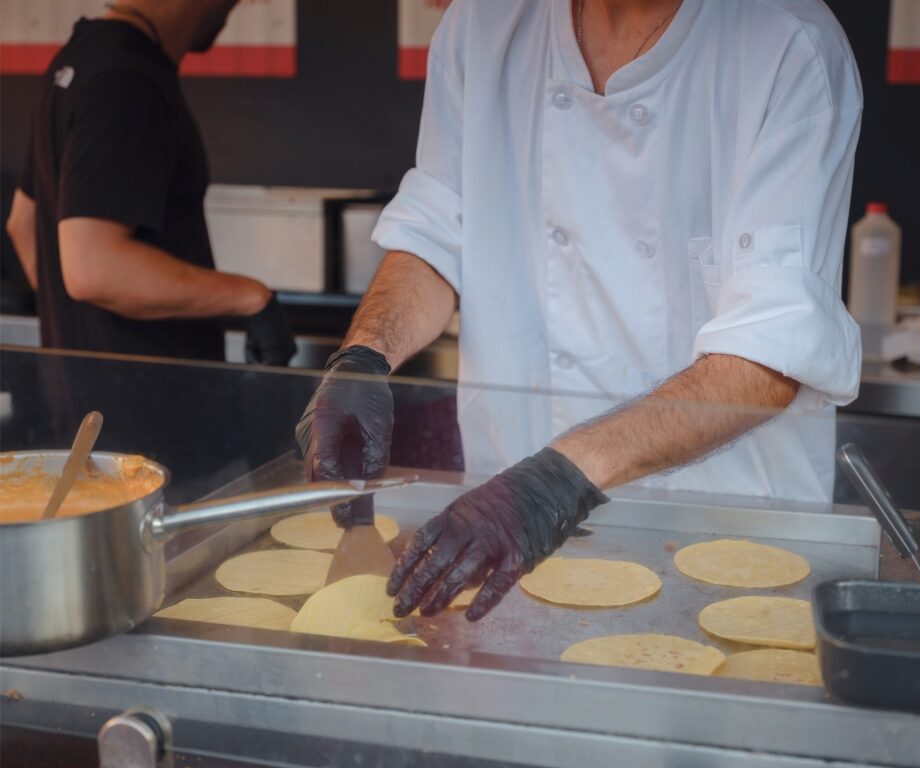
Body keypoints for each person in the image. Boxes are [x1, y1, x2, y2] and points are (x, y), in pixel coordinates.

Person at [296, 0, 863, 620]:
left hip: (724, 541)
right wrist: (364, 354)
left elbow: (769, 353)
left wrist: (555, 482)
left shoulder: (788, 44)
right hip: (503, 548)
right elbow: (438, 235)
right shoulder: (483, 24)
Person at [5, 0, 295, 364]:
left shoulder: (82, 55)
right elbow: (93, 269)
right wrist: (251, 298)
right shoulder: (126, 79)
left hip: (91, 400)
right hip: (145, 405)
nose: (230, 8)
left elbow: (23, 224)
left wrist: (82, 337)